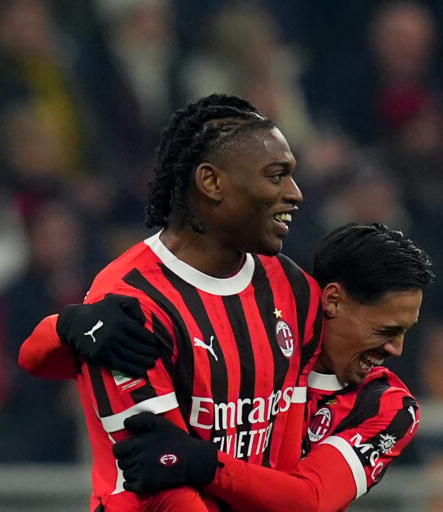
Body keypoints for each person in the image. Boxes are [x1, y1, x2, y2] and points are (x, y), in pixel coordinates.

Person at [19, 94, 324, 512]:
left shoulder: (292, 285)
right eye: (276, 176)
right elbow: (161, 485)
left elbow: (288, 447)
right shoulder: (130, 301)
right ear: (211, 182)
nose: (295, 193)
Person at [21, 222, 434, 511]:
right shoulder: (248, 326)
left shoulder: (389, 407)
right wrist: (68, 325)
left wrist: (204, 463)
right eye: (387, 330)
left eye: (405, 332)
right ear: (333, 301)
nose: (397, 349)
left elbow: (311, 500)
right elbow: (39, 362)